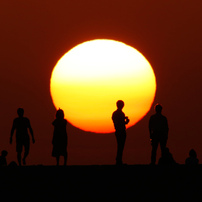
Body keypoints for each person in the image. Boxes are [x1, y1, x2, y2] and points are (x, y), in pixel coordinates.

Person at [112, 100, 130, 165]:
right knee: (121, 146)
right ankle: (118, 160)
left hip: (118, 131)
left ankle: (119, 160)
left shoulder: (115, 113)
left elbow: (117, 122)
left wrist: (125, 121)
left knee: (120, 146)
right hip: (121, 131)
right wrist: (126, 121)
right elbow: (120, 123)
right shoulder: (120, 113)